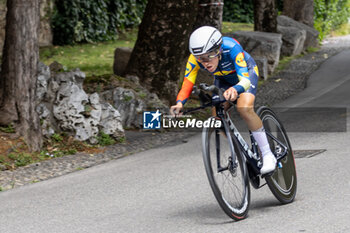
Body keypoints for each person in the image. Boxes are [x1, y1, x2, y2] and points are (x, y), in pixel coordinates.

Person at [170, 26, 276, 174]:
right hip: (223, 80)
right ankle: (240, 150)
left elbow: (244, 81)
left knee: (244, 108)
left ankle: (267, 154)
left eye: (208, 57)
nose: (205, 62)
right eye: (200, 58)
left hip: (245, 74)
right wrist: (180, 103)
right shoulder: (194, 59)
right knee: (217, 118)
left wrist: (236, 89)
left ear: (218, 50)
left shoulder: (231, 48)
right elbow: (187, 84)